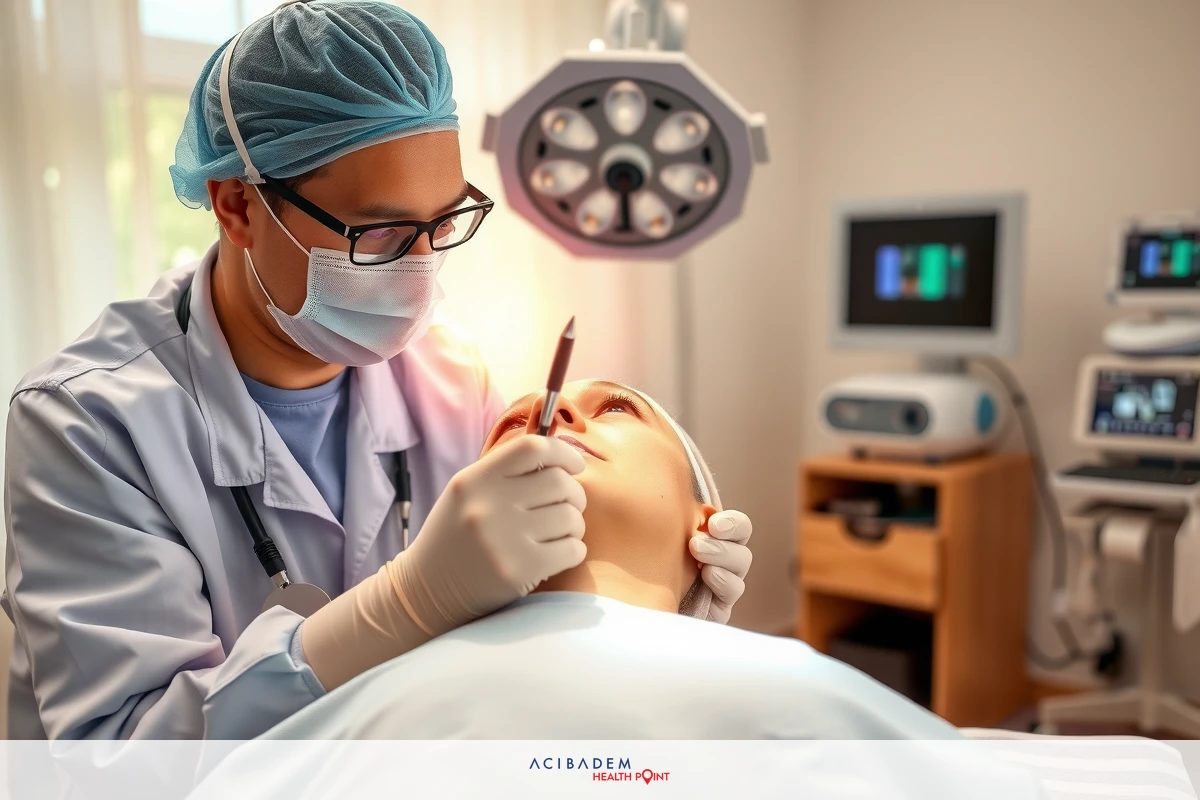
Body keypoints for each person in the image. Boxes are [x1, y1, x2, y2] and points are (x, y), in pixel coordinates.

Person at [1, 2, 752, 741]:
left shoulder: (454, 380)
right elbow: (121, 765)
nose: (421, 270)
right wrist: (405, 602)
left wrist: (660, 605)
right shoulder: (85, 422)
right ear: (237, 206)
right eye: (381, 232)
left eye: (445, 223)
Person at [252, 379, 960, 740]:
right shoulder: (352, 703)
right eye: (511, 429)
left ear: (706, 527)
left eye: (617, 409)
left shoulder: (801, 687)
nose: (549, 418)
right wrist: (409, 601)